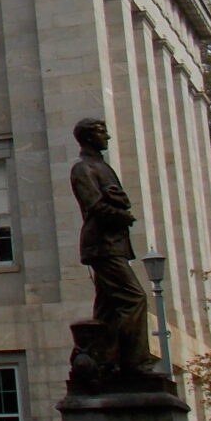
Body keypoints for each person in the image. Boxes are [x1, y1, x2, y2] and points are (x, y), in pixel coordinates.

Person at [68, 118, 154, 373]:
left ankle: (101, 358)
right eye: (101, 132)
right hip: (101, 245)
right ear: (88, 137)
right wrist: (123, 215)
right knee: (134, 298)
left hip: (114, 243)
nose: (108, 137)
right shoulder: (82, 169)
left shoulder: (101, 166)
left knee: (107, 308)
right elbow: (95, 205)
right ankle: (135, 362)